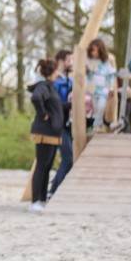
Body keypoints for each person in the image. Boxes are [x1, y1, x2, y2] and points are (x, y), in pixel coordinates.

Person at [28, 58, 63, 213]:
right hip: (44, 131)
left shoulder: (50, 87)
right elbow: (36, 98)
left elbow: (55, 106)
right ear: (52, 72)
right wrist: (43, 114)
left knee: (47, 166)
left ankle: (42, 199)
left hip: (53, 132)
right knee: (41, 166)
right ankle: (34, 200)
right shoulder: (43, 86)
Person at [48, 50, 73, 198]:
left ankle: (53, 189)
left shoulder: (70, 81)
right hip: (57, 125)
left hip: (67, 124)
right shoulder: (55, 83)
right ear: (61, 62)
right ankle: (54, 191)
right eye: (70, 60)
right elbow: (55, 105)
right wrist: (71, 104)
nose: (72, 63)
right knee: (68, 156)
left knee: (68, 158)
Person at [86, 39, 115, 132]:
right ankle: (99, 124)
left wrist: (111, 88)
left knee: (101, 106)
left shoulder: (106, 63)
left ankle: (96, 124)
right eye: (93, 50)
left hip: (103, 90)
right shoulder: (89, 61)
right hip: (93, 90)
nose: (94, 53)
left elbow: (111, 76)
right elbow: (86, 74)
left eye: (96, 50)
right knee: (96, 107)